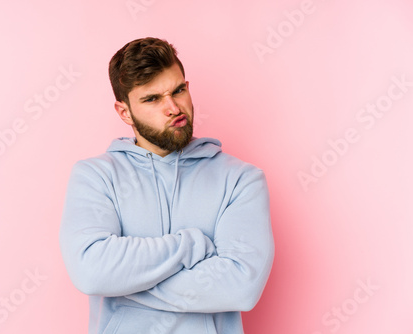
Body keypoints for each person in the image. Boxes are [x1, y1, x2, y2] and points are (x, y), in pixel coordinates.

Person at [59, 37, 275, 334]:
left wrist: (124, 283)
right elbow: (91, 272)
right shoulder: (95, 176)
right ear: (124, 112)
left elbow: (241, 287)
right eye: (152, 99)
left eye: (178, 90)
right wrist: (191, 246)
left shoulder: (240, 179)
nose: (173, 107)